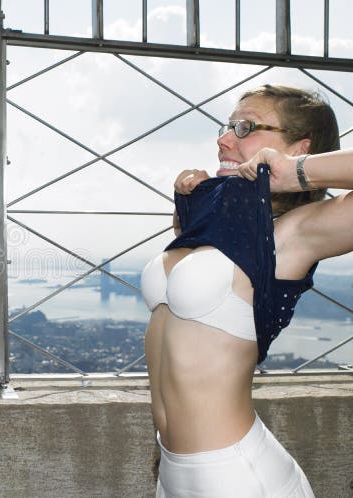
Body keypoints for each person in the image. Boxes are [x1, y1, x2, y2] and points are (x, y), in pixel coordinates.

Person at [142, 84, 349, 497]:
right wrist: (190, 204)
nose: (223, 139)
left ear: (300, 146)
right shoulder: (228, 224)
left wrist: (299, 171)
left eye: (245, 127)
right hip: (174, 474)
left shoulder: (295, 234)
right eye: (227, 127)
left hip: (238, 478)